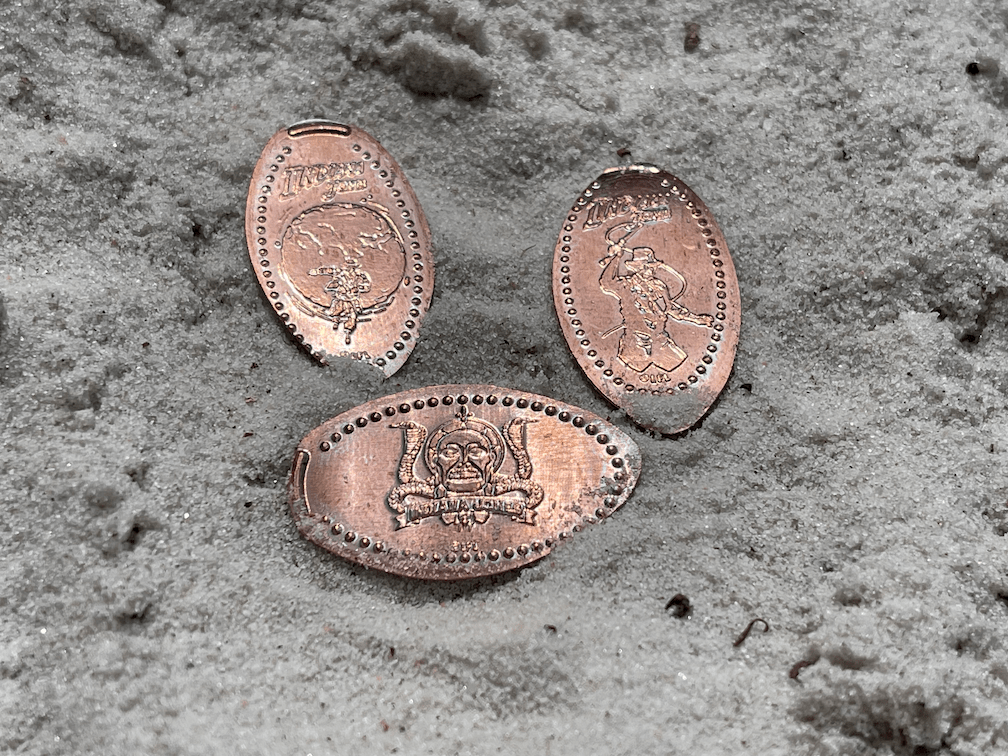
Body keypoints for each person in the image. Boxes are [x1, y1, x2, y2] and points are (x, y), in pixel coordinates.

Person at [599, 220, 713, 373]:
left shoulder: (659, 286)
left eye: (651, 267)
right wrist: (616, 258)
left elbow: (670, 308)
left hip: (660, 339)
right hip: (637, 341)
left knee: (680, 363)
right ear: (638, 268)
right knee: (630, 368)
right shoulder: (627, 285)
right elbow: (607, 282)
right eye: (647, 267)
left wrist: (697, 319)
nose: (651, 270)